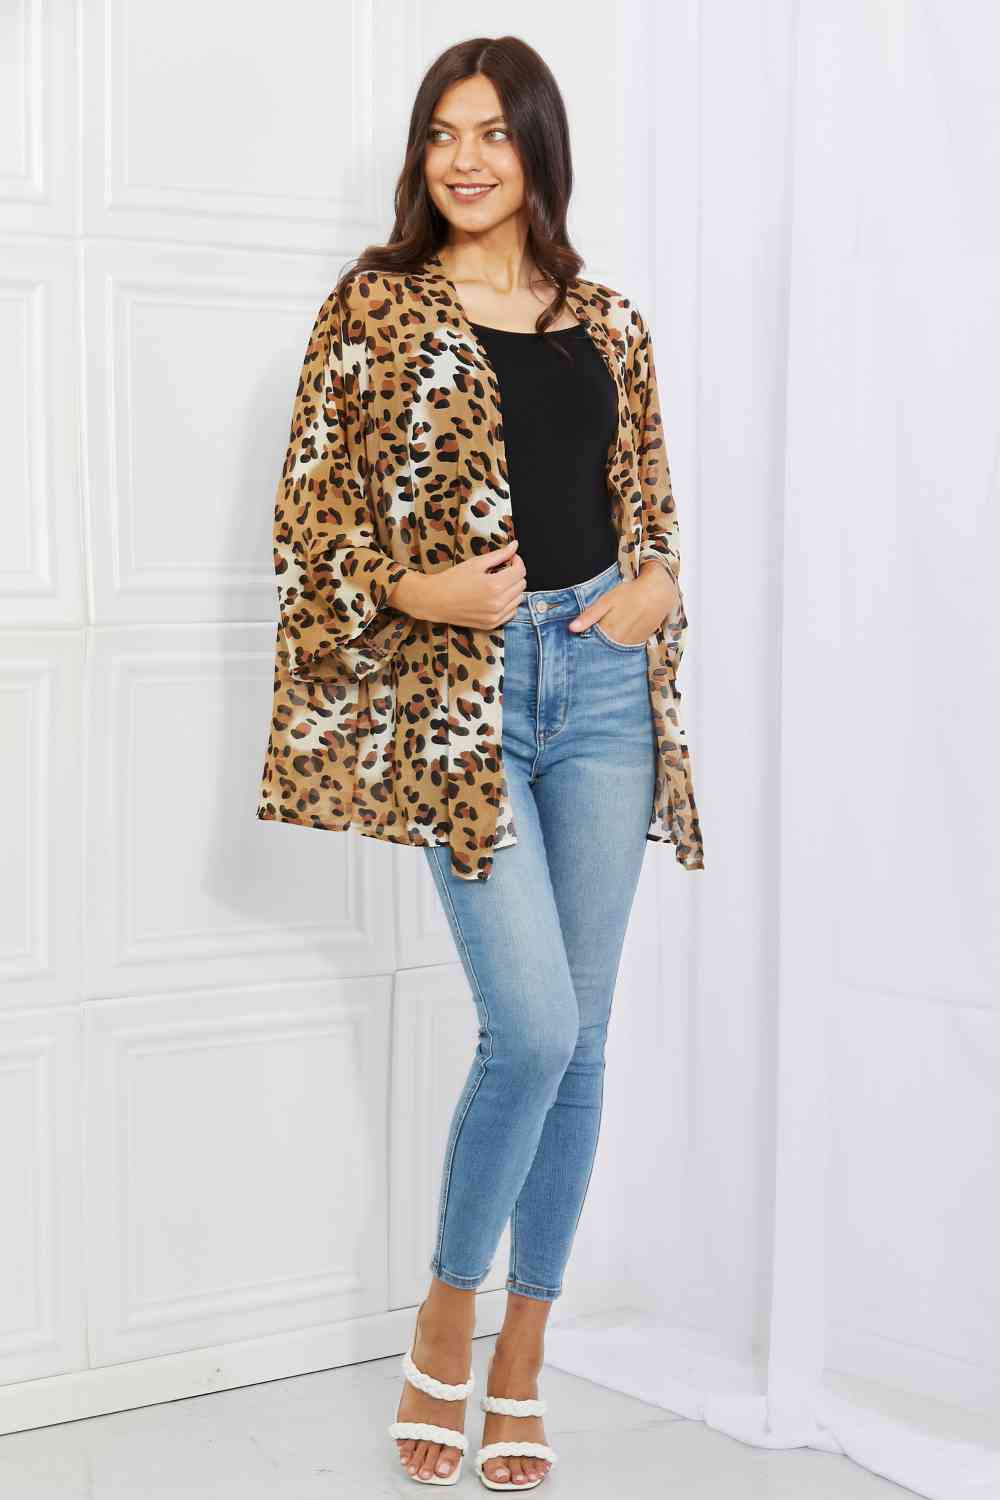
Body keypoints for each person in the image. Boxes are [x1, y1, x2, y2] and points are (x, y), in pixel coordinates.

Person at [256, 34, 704, 1493]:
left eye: (494, 133)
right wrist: (416, 589)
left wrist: (655, 585)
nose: (464, 158)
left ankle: (524, 1356)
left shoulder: (611, 322)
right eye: (443, 132)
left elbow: (648, 505)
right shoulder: (374, 309)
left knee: (585, 1038)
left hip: (603, 685)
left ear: (538, 151)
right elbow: (308, 526)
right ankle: (446, 1321)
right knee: (535, 1027)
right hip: (465, 703)